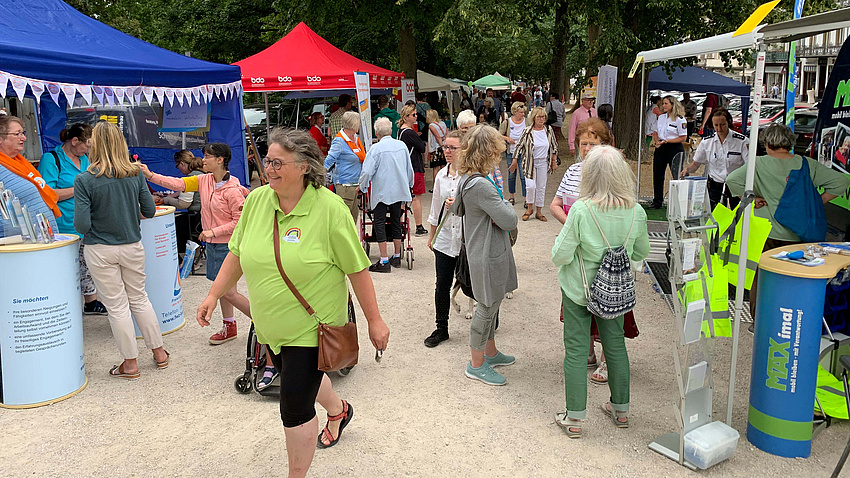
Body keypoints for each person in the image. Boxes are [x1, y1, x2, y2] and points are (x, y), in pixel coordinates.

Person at [197, 128, 390, 477]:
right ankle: (339, 409)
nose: (269, 169)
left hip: (312, 328)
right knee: (298, 378)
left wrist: (374, 320)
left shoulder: (329, 209)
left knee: (294, 406)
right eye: (267, 162)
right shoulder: (257, 201)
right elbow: (237, 253)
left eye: (277, 163)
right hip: (271, 326)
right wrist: (213, 295)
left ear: (304, 167)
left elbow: (357, 269)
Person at [551, 145, 650, 437]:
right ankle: (621, 410)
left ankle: (574, 417)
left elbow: (560, 255)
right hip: (615, 292)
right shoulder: (637, 211)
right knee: (616, 346)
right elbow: (641, 251)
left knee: (577, 350)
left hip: (579, 290)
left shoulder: (582, 209)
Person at [726, 123, 850, 325]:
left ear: (766, 143)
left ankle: (760, 322)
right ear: (790, 143)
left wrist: (752, 198)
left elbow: (732, 179)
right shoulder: (806, 164)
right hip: (797, 235)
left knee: (762, 279)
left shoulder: (757, 164)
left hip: (765, 232)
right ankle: (789, 321)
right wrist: (816, 201)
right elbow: (841, 183)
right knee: (793, 279)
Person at [73, 121, 169, 380]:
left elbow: (81, 224)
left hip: (100, 248)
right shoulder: (134, 174)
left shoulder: (84, 179)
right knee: (139, 298)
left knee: (117, 307)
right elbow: (149, 211)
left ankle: (130, 364)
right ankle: (159, 353)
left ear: (95, 145)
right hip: (132, 245)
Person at [550, 118, 639, 383]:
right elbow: (556, 204)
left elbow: (624, 210)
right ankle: (588, 352)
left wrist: (584, 227)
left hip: (608, 254)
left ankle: (606, 359)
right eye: (583, 143)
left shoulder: (614, 171)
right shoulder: (573, 171)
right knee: (579, 300)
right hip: (579, 250)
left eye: (593, 143)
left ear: (605, 144)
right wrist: (574, 228)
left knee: (609, 308)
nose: (587, 148)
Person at [139, 143, 251, 346]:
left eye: (208, 156)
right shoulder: (203, 180)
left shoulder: (233, 189)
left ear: (220, 160)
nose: (203, 160)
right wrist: (150, 175)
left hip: (228, 246)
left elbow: (239, 222)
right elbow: (177, 184)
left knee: (227, 291)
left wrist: (212, 231)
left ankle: (263, 323)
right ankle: (230, 325)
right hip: (215, 245)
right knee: (223, 288)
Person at [449, 124, 517, 386]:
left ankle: (489, 353)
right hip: (487, 253)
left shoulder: (467, 178)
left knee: (492, 303)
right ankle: (476, 364)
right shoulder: (482, 185)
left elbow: (457, 209)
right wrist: (505, 207)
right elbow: (509, 219)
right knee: (487, 307)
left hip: (481, 250)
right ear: (489, 152)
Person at [37, 123, 108, 316]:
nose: (89, 150)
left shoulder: (84, 159)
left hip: (86, 221)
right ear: (74, 141)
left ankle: (91, 302)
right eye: (87, 145)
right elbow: (47, 194)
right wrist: (79, 189)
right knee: (67, 268)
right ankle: (63, 303)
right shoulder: (51, 160)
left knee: (87, 264)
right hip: (63, 224)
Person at [359, 117, 414, 273]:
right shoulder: (401, 146)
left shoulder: (375, 149)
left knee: (380, 223)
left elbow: (367, 172)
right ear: (391, 131)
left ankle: (383, 260)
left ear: (377, 133)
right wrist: (409, 186)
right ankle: (396, 256)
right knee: (396, 221)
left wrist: (362, 187)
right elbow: (408, 170)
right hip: (398, 191)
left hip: (382, 192)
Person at [425, 130, 464, 347]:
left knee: (475, 283)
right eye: (445, 147)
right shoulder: (441, 176)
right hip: (445, 238)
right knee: (442, 284)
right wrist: (432, 237)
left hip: (467, 238)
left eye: (452, 148)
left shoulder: (471, 176)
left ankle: (486, 323)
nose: (447, 151)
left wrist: (459, 203)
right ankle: (441, 328)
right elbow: (435, 210)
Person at [0, 116, 60, 238]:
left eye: (23, 133)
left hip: (41, 239)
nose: (24, 138)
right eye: (17, 134)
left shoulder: (20, 162)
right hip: (18, 245)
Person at [680, 108, 749, 209]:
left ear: (729, 123)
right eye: (716, 125)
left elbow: (749, 166)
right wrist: (686, 170)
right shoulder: (707, 142)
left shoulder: (742, 141)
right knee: (715, 218)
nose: (719, 129)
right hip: (715, 186)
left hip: (737, 186)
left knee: (740, 217)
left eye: (722, 124)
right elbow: (695, 164)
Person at [515, 106, 559, 222]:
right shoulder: (528, 131)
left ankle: (539, 211)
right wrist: (515, 160)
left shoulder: (548, 130)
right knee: (530, 186)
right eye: (539, 117)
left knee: (541, 187)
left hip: (543, 162)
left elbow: (554, 147)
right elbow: (518, 145)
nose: (541, 119)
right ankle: (529, 208)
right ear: (534, 118)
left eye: (543, 117)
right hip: (530, 162)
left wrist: (553, 161)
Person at [324, 111, 365, 223]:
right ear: (353, 124)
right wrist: (320, 174)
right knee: (344, 221)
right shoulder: (340, 141)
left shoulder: (355, 139)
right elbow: (329, 160)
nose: (360, 125)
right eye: (359, 123)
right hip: (345, 185)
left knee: (352, 220)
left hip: (356, 185)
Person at [650, 95, 688, 209]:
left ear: (672, 104)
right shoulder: (661, 117)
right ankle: (657, 201)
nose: (663, 106)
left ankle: (681, 201)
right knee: (658, 174)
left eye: (666, 103)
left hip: (674, 148)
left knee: (678, 174)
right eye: (663, 103)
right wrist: (657, 141)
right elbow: (655, 131)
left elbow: (683, 137)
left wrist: (667, 141)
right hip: (661, 147)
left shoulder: (680, 119)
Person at [396, 104, 428, 236]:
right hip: (415, 167)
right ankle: (419, 226)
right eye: (414, 115)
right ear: (406, 117)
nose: (416, 117)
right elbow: (421, 147)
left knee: (403, 198)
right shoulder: (410, 132)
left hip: (405, 167)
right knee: (416, 198)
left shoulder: (400, 131)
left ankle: (400, 225)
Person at [500, 102, 528, 206]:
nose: (523, 114)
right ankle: (512, 196)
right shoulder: (507, 122)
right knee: (511, 175)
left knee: (523, 175)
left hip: (523, 153)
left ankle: (526, 198)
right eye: (521, 112)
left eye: (524, 112)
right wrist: (507, 139)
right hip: (510, 152)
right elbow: (499, 135)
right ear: (515, 112)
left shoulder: (527, 121)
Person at [568, 91, 597, 156]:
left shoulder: (594, 111)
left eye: (592, 100)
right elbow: (572, 130)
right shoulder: (577, 113)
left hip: (593, 140)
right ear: (583, 101)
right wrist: (571, 146)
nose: (590, 102)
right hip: (581, 141)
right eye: (588, 100)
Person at [427, 109, 448, 177]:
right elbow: (447, 134)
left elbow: (437, 137)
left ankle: (435, 185)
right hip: (444, 145)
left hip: (436, 148)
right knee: (443, 166)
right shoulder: (443, 123)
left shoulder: (431, 126)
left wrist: (441, 146)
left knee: (435, 167)